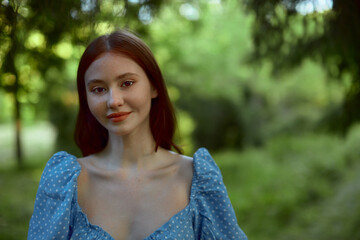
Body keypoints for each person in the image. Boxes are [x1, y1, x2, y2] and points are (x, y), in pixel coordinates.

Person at [28, 30, 247, 240]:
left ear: (154, 87)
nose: (113, 100)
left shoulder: (195, 178)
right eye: (98, 89)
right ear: (86, 97)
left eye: (127, 83)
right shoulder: (64, 182)